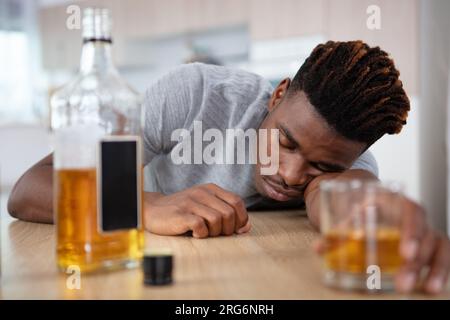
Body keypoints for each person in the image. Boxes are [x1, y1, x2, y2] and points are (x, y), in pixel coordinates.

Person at [8, 40, 450, 294]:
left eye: (321, 165)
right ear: (277, 96)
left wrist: (376, 213)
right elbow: (28, 188)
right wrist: (145, 206)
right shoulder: (192, 95)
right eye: (284, 141)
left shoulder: (350, 161)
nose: (292, 176)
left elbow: (339, 201)